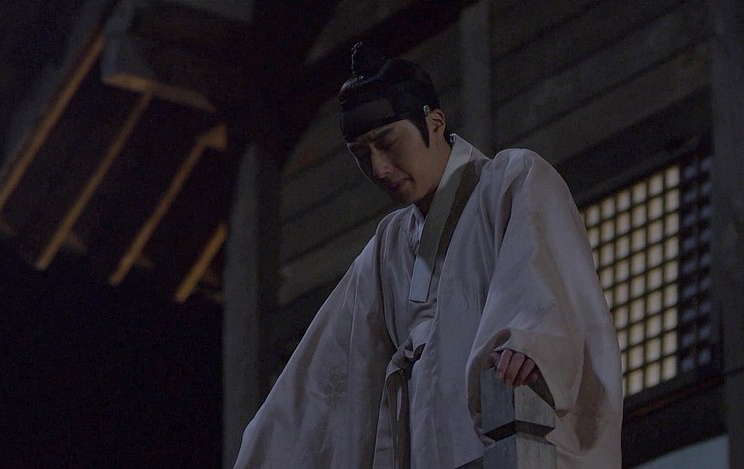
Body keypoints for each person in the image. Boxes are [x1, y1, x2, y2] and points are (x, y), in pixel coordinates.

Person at [234, 42, 623, 469]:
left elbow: (543, 287)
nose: (379, 167)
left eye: (386, 142)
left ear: (434, 122)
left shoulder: (510, 181)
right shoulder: (387, 250)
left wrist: (529, 341)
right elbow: (321, 380)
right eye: (362, 155)